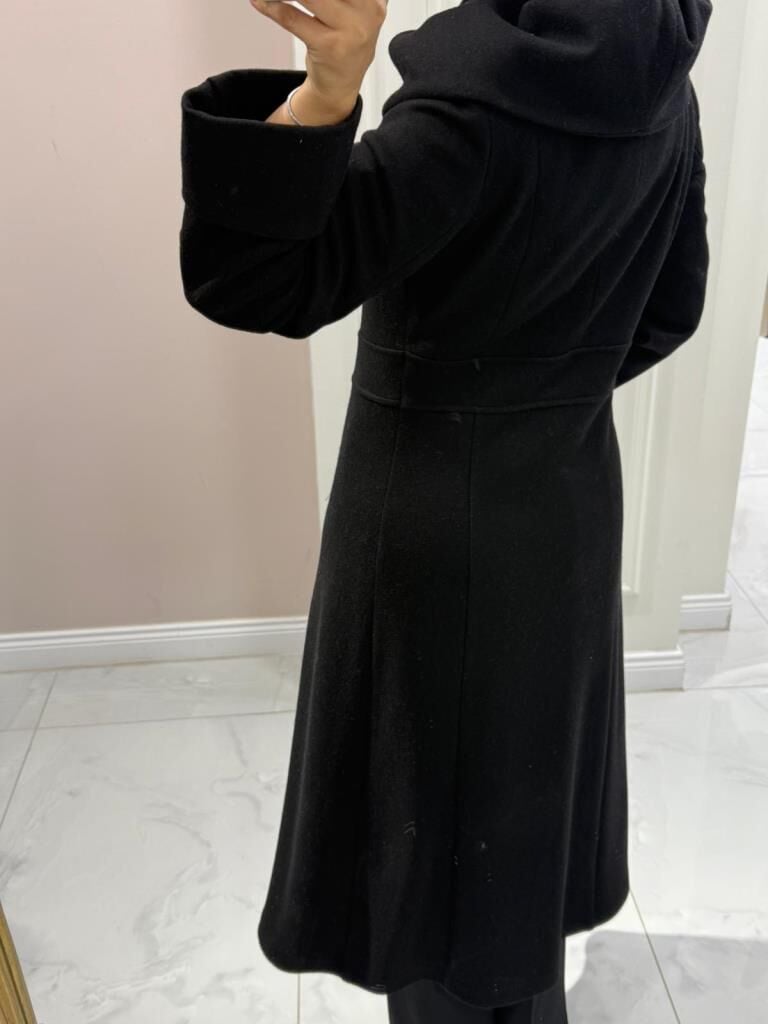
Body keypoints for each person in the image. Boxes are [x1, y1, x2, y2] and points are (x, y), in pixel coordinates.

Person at [179, 0, 712, 1020]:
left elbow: (254, 282)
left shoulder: (467, 115)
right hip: (563, 508)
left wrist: (324, 95)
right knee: (519, 820)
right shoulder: (665, 91)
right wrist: (542, 398)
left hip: (423, 523)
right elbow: (671, 308)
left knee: (423, 859)